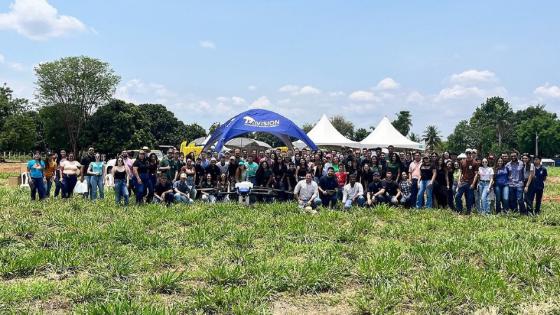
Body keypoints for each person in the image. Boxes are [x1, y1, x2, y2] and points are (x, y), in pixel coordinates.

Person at [455, 149, 479, 214]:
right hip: (463, 182)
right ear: (465, 154)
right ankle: (459, 210)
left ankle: (469, 211)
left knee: (469, 199)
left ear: (471, 154)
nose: (468, 155)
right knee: (457, 196)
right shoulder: (462, 162)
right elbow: (461, 172)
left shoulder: (475, 163)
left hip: (470, 183)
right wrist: (459, 181)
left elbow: (476, 174)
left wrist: (473, 184)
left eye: (470, 153)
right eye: (467, 153)